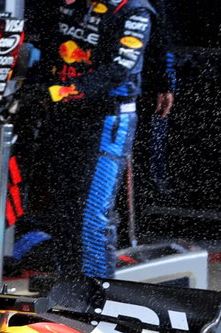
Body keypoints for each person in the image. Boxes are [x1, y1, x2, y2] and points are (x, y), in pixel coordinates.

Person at [19, 0, 156, 282]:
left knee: (92, 212)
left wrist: (58, 91)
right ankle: (67, 288)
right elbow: (48, 46)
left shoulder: (133, 10)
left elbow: (120, 70)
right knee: (64, 210)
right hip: (66, 117)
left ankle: (97, 295)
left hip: (107, 119)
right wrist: (38, 85)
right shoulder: (72, 5)